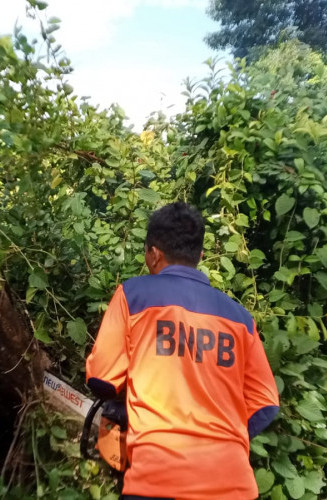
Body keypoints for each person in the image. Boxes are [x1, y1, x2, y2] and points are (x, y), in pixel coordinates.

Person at [85, 202, 280, 500]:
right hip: (233, 486)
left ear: (153, 253)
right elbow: (265, 404)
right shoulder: (240, 318)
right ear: (200, 256)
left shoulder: (133, 296)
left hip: (156, 482)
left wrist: (127, 408)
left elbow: (101, 378)